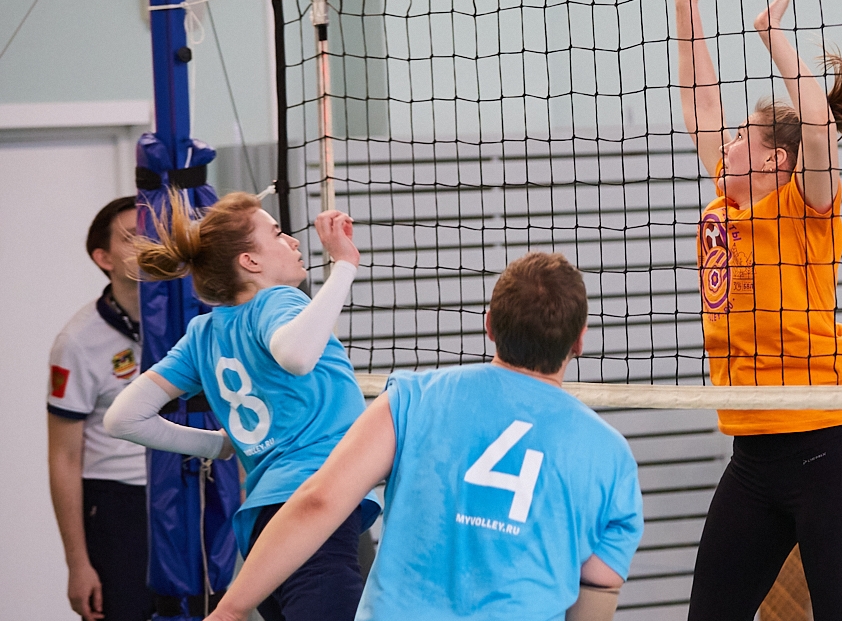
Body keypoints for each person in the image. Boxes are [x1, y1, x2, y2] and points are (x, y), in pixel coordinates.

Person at [673, 0, 842, 621]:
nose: (726, 142)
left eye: (741, 137)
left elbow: (817, 125)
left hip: (832, 448)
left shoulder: (805, 207)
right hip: (754, 458)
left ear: (774, 160)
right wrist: (687, 2)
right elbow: (699, 102)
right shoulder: (725, 207)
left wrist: (772, 33)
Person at [198, 251, 643, 621]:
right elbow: (598, 587)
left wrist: (232, 609)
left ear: (489, 325)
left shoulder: (412, 399)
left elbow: (320, 501)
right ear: (579, 340)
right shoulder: (611, 456)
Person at [103, 191, 379, 621]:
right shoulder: (278, 299)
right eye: (277, 233)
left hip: (265, 524)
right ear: (250, 261)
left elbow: (123, 418)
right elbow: (297, 355)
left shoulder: (203, 334)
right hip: (313, 510)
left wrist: (219, 446)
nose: (293, 240)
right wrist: (344, 264)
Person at [47, 196, 153, 621]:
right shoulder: (78, 342)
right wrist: (77, 563)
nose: (148, 244)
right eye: (132, 237)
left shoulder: (193, 320)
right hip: (119, 507)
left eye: (154, 233)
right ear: (104, 258)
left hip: (189, 492)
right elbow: (63, 456)